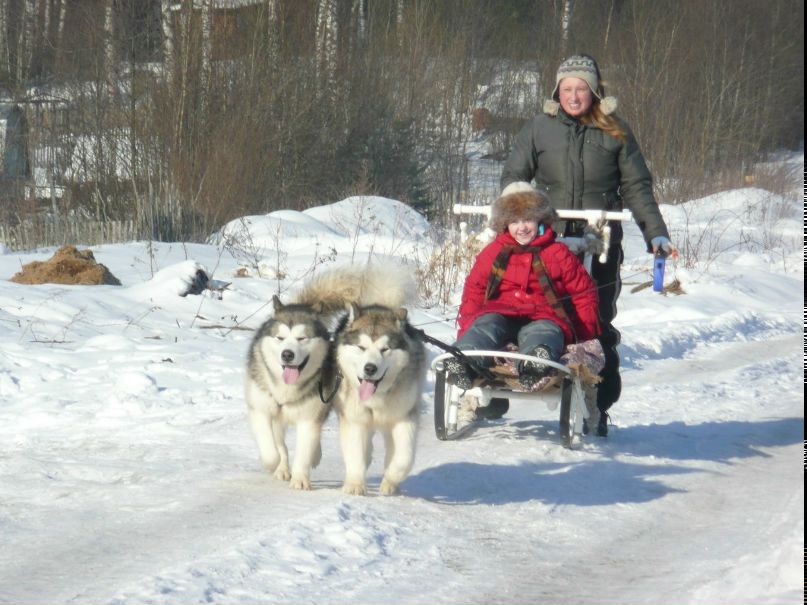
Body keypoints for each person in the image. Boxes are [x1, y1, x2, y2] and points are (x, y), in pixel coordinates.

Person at [500, 54, 676, 436]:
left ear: (594, 91)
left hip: (602, 239)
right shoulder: (538, 129)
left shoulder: (615, 131)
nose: (574, 96)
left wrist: (655, 232)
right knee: (531, 308)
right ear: (557, 91)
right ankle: (507, 375)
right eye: (567, 88)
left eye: (581, 88)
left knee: (595, 318)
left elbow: (636, 186)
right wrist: (515, 218)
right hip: (548, 241)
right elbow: (514, 177)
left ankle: (599, 400)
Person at [444, 182, 600, 414]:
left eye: (527, 219)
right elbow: (474, 290)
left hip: (544, 314)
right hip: (500, 312)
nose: (522, 228)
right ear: (505, 224)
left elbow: (583, 295)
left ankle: (536, 361)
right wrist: (467, 328)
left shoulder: (557, 253)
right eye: (515, 221)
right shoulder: (494, 251)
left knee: (544, 332)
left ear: (540, 220)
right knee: (486, 326)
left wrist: (584, 335)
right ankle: (466, 357)